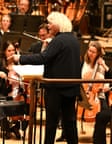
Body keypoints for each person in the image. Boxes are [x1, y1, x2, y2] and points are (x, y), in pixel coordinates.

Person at [8, 11, 81, 144]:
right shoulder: (73, 39)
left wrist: (20, 58)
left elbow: (43, 57)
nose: (48, 26)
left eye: (50, 23)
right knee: (70, 122)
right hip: (71, 88)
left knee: (51, 123)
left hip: (56, 89)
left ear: (58, 24)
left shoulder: (58, 40)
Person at [0, 40, 22, 139]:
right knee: (1, 102)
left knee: (26, 104)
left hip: (16, 93)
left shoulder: (18, 63)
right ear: (4, 52)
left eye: (13, 51)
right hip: (2, 92)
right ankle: (6, 128)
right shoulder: (0, 62)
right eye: (9, 50)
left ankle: (15, 127)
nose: (11, 53)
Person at [80, 41, 110, 144]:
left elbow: (108, 78)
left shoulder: (101, 64)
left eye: (93, 52)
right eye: (89, 51)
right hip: (85, 94)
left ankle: (98, 140)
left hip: (99, 95)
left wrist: (105, 66)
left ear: (98, 53)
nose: (90, 53)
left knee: (103, 115)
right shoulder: (84, 63)